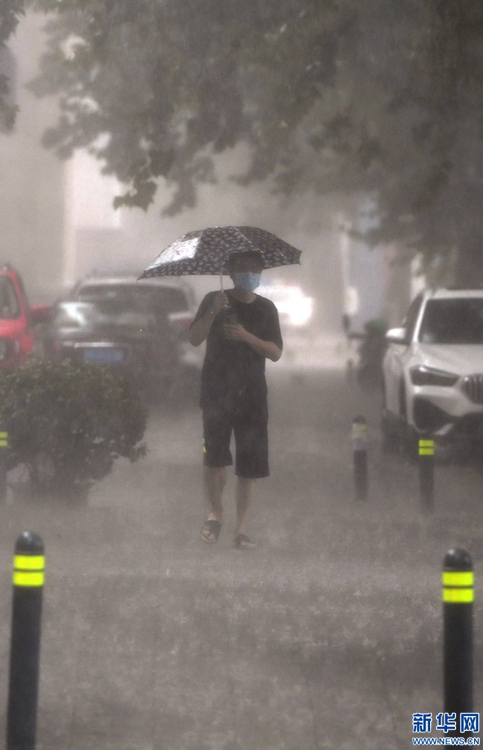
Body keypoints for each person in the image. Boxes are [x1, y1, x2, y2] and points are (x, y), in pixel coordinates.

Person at [189, 250, 283, 549]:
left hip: (252, 397)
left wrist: (246, 337)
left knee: (249, 466)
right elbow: (194, 337)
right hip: (216, 393)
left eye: (255, 269)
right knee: (214, 460)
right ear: (229, 272)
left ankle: (241, 530)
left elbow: (275, 352)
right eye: (243, 268)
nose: (249, 274)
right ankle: (216, 512)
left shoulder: (267, 309)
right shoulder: (213, 300)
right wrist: (214, 311)